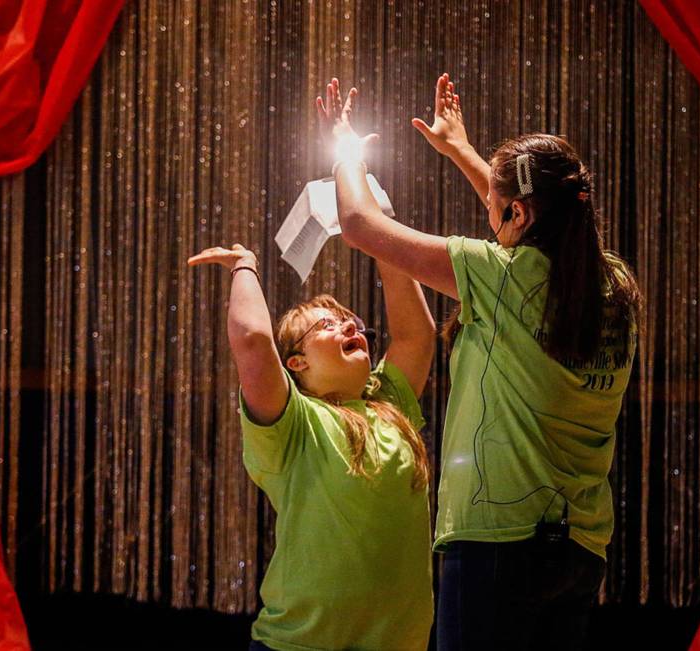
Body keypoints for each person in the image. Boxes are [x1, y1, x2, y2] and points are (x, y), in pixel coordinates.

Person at [317, 74, 642, 649]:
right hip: (580, 549)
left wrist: (345, 150)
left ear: (516, 214)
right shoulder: (612, 282)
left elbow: (361, 225)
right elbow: (532, 224)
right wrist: (464, 153)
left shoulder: (504, 278)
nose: (489, 214)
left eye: (496, 205)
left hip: (497, 542)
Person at [187, 241, 435, 651]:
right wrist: (244, 265)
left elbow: (415, 335)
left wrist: (380, 231)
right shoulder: (293, 423)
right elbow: (251, 338)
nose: (351, 327)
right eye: (326, 325)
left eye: (350, 321)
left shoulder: (390, 403)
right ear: (296, 362)